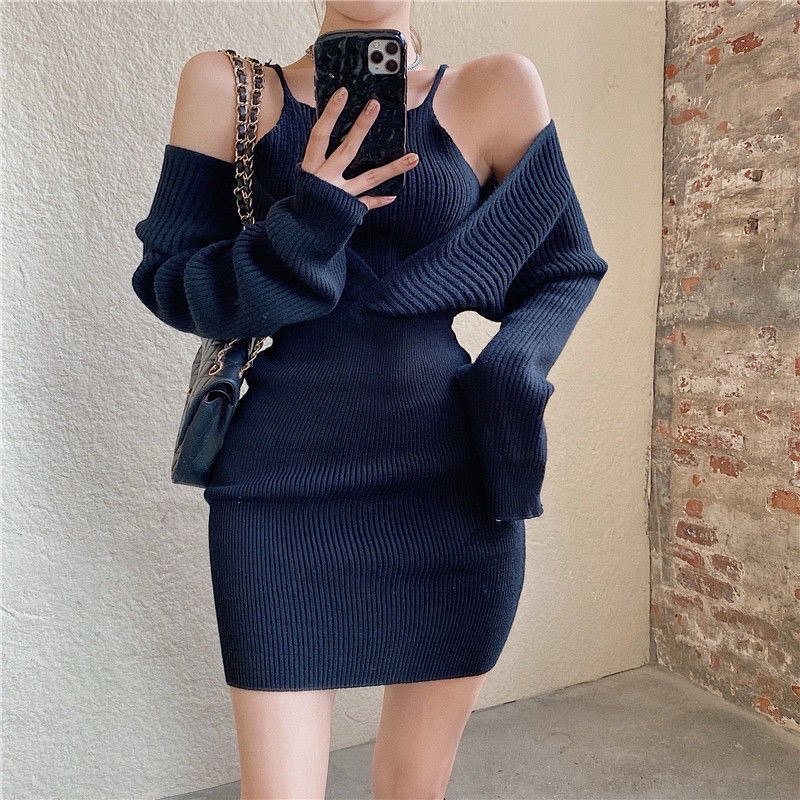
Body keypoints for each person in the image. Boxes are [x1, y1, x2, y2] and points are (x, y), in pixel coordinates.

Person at [132, 1, 608, 797]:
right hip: (278, 495)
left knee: (412, 788)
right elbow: (175, 286)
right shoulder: (230, 89)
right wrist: (314, 215)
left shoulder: (496, 89)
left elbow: (564, 268)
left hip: (451, 488)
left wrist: (512, 373)